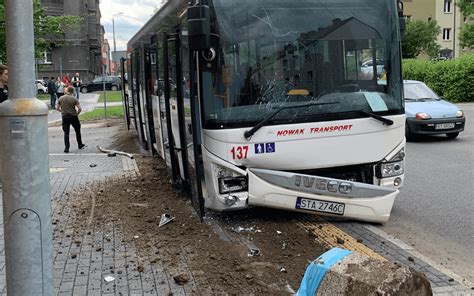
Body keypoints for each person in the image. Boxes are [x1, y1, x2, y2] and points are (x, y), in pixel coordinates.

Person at [56, 86, 85, 153]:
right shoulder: (74, 99)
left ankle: (67, 148)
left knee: (66, 132)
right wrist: (77, 113)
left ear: (67, 91)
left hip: (65, 117)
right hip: (73, 116)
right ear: (72, 91)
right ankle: (80, 144)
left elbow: (57, 108)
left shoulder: (61, 98)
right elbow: (79, 109)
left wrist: (62, 111)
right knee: (77, 130)